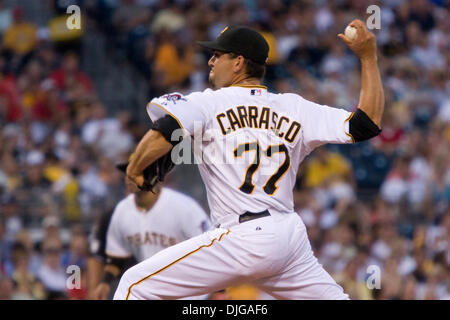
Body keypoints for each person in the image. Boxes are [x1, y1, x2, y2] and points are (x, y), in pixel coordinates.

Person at [114, 21, 384, 300]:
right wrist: (368, 56)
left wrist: (134, 168)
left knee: (134, 286)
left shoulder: (209, 102)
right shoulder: (294, 107)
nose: (210, 61)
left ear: (238, 62)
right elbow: (366, 124)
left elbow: (166, 130)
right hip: (288, 239)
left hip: (243, 237)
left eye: (218, 55)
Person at [92, 174, 210, 300]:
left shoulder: (184, 207)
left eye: (137, 172)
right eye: (128, 173)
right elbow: (117, 258)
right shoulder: (122, 210)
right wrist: (105, 283)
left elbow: (211, 250)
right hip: (152, 289)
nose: (129, 178)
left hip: (189, 290)